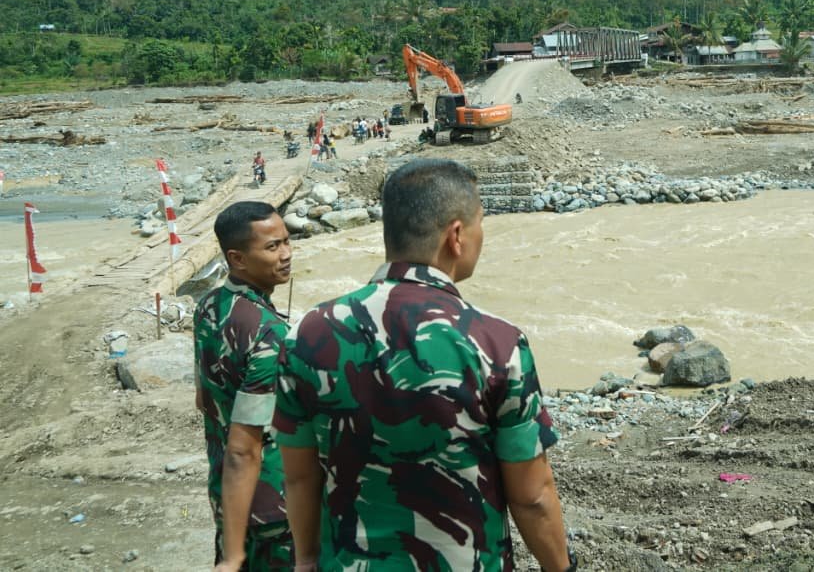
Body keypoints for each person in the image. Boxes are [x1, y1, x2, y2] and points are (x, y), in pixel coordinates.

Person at [274, 159, 574, 571]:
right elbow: (533, 496)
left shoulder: (306, 334)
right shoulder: (497, 343)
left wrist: (307, 561)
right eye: (480, 223)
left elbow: (299, 476)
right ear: (456, 236)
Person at [195, 201, 295, 571]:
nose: (286, 254)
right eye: (272, 247)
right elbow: (246, 448)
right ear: (237, 259)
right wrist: (233, 552)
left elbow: (203, 398)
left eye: (287, 241)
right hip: (272, 509)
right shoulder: (269, 333)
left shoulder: (209, 306)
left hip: (227, 495)